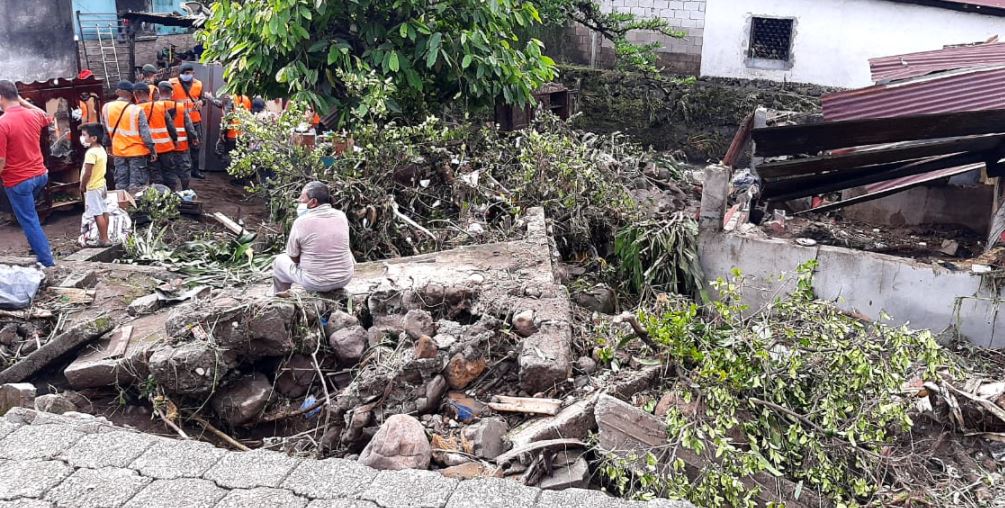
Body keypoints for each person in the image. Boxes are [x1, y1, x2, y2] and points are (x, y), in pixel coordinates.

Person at [0, 80, 55, 266]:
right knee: (30, 215)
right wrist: (22, 101)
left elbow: (1, 161)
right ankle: (37, 246)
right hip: (40, 175)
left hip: (18, 180)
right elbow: (48, 116)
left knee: (29, 220)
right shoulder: (33, 115)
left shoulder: (2, 123)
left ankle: (47, 262)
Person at [272, 181, 355, 296]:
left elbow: (292, 255)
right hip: (345, 278)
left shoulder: (301, 222)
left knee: (279, 261)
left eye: (302, 197)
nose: (299, 200)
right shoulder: (341, 216)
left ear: (313, 202)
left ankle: (280, 299)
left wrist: (305, 262)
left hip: (316, 282)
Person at [102, 81, 156, 192]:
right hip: (137, 153)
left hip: (118, 152)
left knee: (121, 184)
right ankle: (135, 207)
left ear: (117, 92)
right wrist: (152, 150)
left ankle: (122, 206)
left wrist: (108, 145)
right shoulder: (137, 110)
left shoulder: (106, 108)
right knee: (136, 186)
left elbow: (105, 130)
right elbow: (145, 134)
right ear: (132, 94)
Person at [134, 82, 177, 186]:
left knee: (155, 176)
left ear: (135, 94)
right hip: (166, 147)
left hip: (148, 150)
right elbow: (171, 126)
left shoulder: (133, 110)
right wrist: (175, 139)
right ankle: (171, 197)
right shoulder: (160, 106)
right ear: (149, 93)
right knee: (169, 175)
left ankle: (158, 198)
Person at [158, 81, 198, 191]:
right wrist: (194, 138)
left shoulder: (154, 107)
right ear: (172, 93)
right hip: (181, 146)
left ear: (158, 91)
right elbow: (189, 126)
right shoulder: (180, 107)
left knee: (164, 171)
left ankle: (165, 193)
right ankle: (184, 190)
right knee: (184, 170)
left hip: (162, 147)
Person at [170, 63, 205, 179]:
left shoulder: (198, 84)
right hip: (178, 122)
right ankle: (177, 170)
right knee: (177, 145)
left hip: (195, 120)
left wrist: (201, 102)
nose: (188, 75)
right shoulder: (172, 83)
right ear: (180, 74)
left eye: (190, 73)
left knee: (196, 145)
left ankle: (195, 170)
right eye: (185, 73)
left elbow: (202, 99)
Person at [78, 123, 110, 246]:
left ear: (94, 138)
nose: (82, 137)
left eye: (84, 135)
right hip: (101, 184)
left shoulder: (91, 153)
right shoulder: (101, 149)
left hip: (93, 187)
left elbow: (87, 172)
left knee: (97, 213)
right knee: (103, 211)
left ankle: (103, 239)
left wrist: (82, 185)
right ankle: (105, 236)